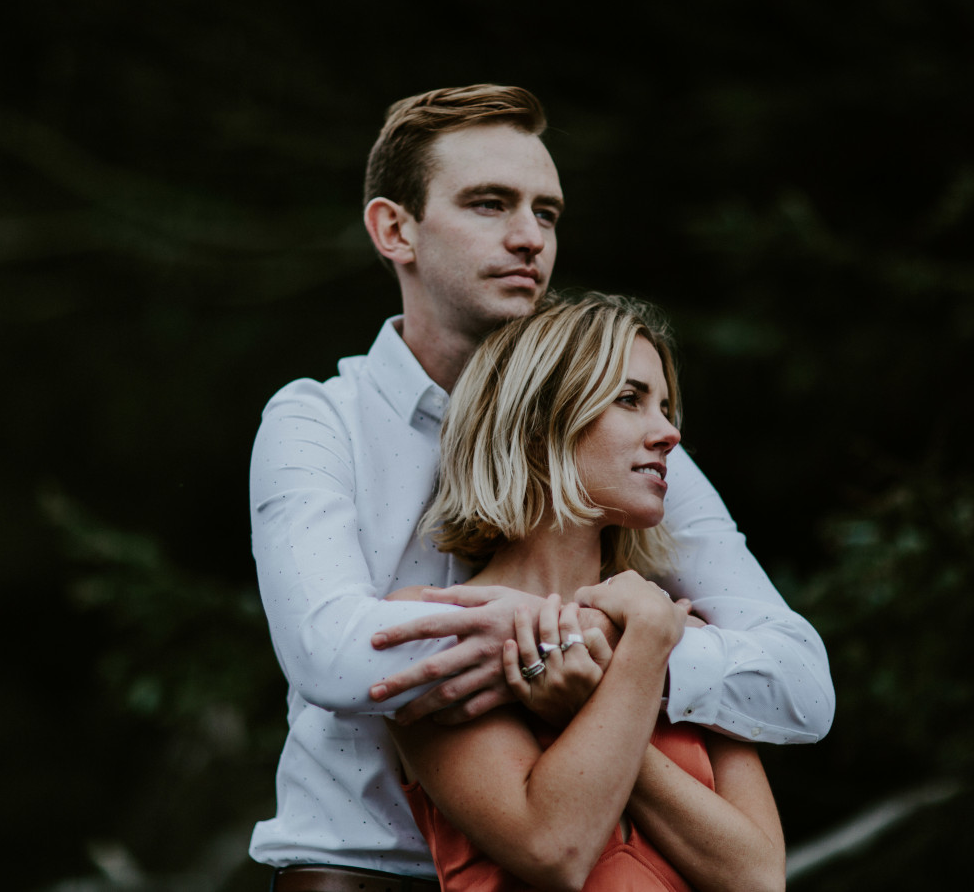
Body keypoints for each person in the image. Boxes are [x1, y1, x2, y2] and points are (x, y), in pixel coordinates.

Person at [248, 85, 832, 888]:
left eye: (547, 213)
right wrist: (573, 630)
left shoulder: (620, 437)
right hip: (367, 872)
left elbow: (801, 684)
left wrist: (638, 658)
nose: (529, 237)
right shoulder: (320, 420)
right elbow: (333, 652)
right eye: (490, 204)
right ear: (395, 228)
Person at [387, 294, 785, 891]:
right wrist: (639, 656)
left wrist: (602, 691)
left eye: (667, 407)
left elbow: (758, 879)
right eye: (631, 400)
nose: (669, 432)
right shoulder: (437, 631)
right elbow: (553, 848)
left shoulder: (686, 637)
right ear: (539, 420)